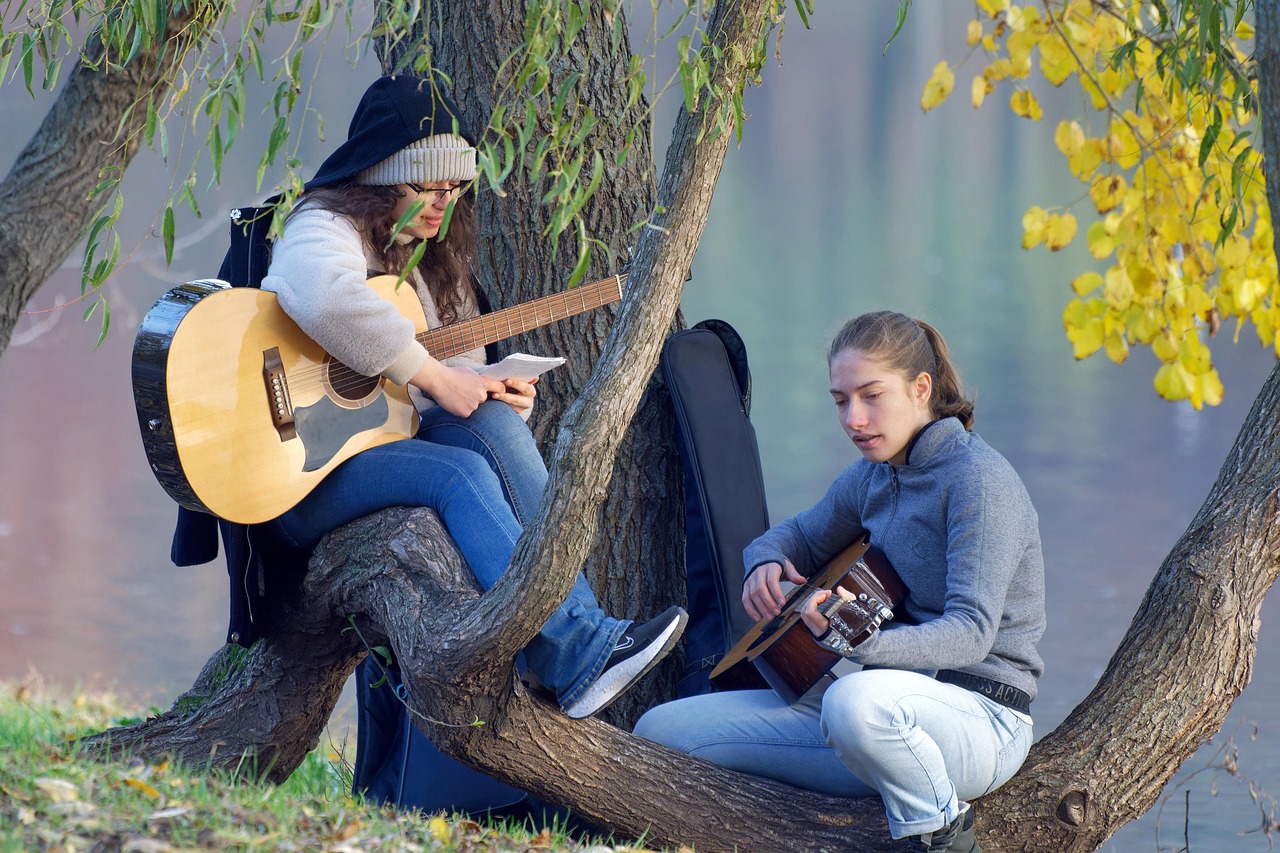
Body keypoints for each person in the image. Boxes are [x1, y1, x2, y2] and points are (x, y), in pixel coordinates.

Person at [258, 74, 686, 721]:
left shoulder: (433, 259)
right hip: (295, 471)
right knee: (455, 473)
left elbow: (452, 386)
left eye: (454, 189)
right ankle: (570, 650)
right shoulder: (325, 225)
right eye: (426, 188)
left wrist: (498, 396)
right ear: (379, 179)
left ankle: (584, 641)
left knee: (490, 426)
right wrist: (428, 371)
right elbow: (317, 294)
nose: (442, 204)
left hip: (371, 446)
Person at [634, 311, 1045, 853]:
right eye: (840, 400)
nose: (853, 418)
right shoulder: (874, 475)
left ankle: (941, 833)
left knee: (854, 701)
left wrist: (858, 641)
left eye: (871, 396)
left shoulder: (979, 482)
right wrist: (764, 562)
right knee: (660, 732)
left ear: (921, 389)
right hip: (871, 720)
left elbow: (971, 633)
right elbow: (794, 536)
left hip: (981, 721)